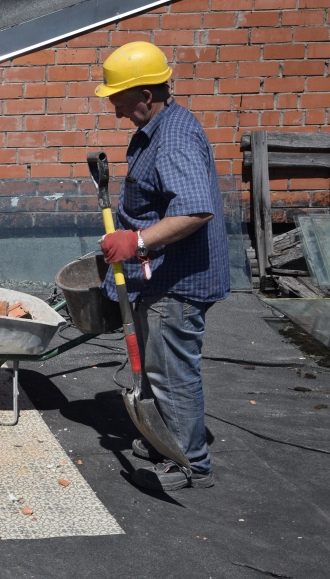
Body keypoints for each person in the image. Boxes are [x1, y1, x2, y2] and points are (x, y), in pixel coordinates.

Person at [94, 41, 230, 491]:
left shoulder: (172, 139)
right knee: (159, 366)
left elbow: (196, 210)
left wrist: (136, 240)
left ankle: (191, 465)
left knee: (171, 372)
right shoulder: (160, 127)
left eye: (118, 99)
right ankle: (164, 440)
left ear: (146, 95)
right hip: (163, 274)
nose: (114, 110)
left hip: (179, 281)